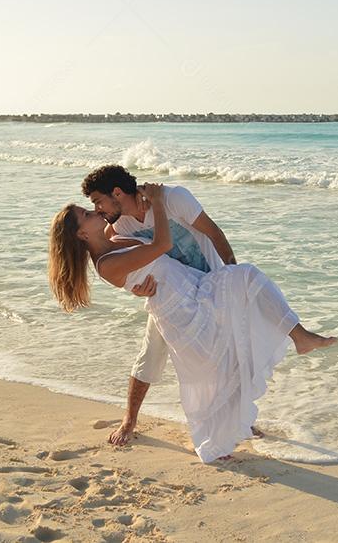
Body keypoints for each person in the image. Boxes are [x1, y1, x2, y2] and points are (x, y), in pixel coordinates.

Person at [48, 183, 338, 463]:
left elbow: (136, 252)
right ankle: (215, 439)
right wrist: (159, 202)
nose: (94, 210)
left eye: (94, 204)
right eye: (86, 214)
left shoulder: (114, 237)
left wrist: (143, 205)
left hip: (196, 289)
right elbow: (162, 245)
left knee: (244, 293)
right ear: (82, 235)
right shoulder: (107, 263)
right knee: (211, 369)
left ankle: (295, 342)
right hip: (181, 310)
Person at [81, 165, 230, 445]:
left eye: (98, 202)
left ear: (117, 193)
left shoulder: (174, 199)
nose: (98, 210)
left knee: (227, 352)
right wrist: (137, 291)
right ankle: (130, 419)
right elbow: (123, 264)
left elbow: (214, 233)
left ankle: (242, 420)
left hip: (211, 283)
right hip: (171, 297)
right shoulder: (119, 224)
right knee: (151, 354)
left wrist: (232, 276)